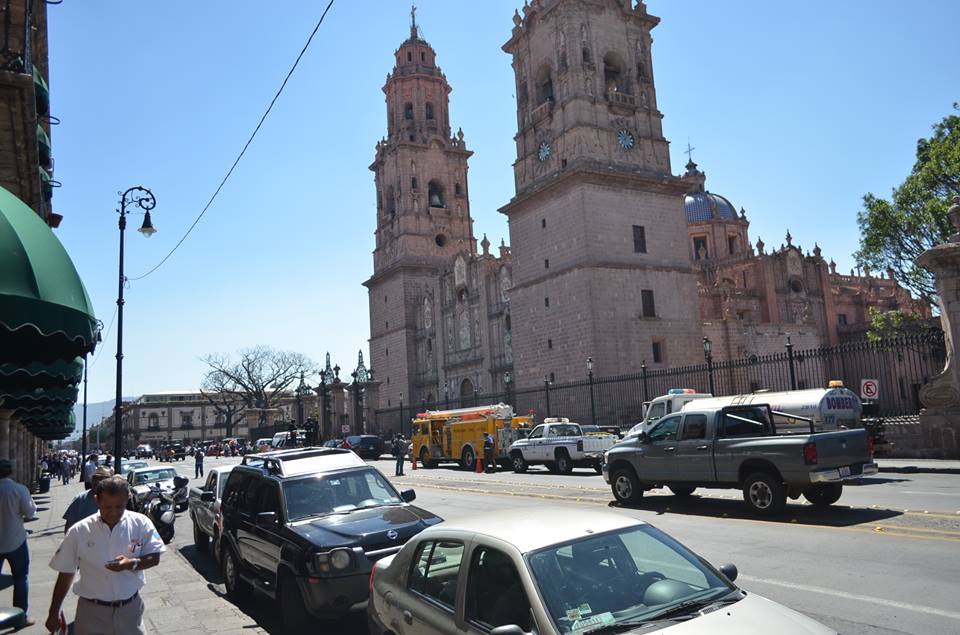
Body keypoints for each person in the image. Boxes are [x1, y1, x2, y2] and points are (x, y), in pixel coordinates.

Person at [46, 475, 165, 635]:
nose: (114, 512)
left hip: (130, 611)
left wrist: (131, 564)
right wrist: (54, 611)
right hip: (92, 614)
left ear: (127, 499)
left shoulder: (140, 523)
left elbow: (154, 556)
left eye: (119, 506)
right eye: (107, 507)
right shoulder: (79, 531)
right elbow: (66, 572)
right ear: (97, 500)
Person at [0, 458, 37, 626]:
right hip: (16, 540)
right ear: (11, 472)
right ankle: (20, 617)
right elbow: (30, 512)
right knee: (21, 578)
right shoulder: (19, 489)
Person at [63, 467, 112, 534]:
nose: (97, 482)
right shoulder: (80, 499)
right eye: (95, 478)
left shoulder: (115, 499)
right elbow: (69, 525)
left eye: (101, 479)